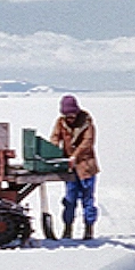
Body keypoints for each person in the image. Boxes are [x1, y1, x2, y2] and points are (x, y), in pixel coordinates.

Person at [50, 94, 100, 240]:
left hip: (86, 167)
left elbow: (87, 142)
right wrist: (53, 151)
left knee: (87, 199)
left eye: (72, 115)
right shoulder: (61, 122)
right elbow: (55, 137)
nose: (69, 118)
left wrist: (75, 156)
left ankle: (89, 228)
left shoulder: (87, 123)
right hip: (70, 169)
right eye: (67, 115)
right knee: (70, 199)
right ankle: (67, 228)